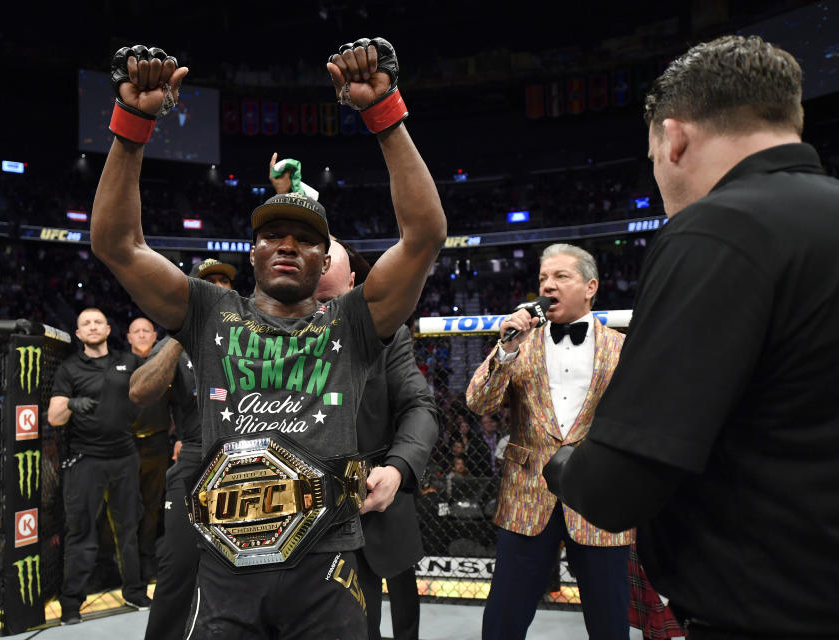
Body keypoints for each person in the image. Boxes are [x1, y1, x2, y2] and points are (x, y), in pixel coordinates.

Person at [90, 38, 444, 640]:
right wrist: (133, 123)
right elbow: (116, 244)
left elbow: (424, 236)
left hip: (327, 565)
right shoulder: (208, 310)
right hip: (227, 566)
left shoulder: (354, 322)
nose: (287, 244)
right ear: (252, 251)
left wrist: (383, 111)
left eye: (304, 239)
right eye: (273, 233)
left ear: (325, 255)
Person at [543, 35, 839, 638]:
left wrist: (564, 466)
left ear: (673, 137)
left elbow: (618, 488)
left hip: (768, 608)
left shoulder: (716, 230)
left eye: (653, 155)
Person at [465, 244, 633, 639]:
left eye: (561, 276)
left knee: (610, 621)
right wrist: (506, 348)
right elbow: (478, 402)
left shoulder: (623, 347)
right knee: (504, 619)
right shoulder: (519, 343)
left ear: (590, 286)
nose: (548, 285)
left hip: (600, 498)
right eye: (543, 278)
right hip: (527, 495)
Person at [314, 238, 439, 640]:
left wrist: (398, 468)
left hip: (376, 498)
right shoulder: (261, 337)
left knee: (397, 617)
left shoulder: (387, 335)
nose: (322, 311)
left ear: (352, 282)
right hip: (299, 511)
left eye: (330, 297)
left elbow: (419, 406)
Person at [136, 258, 236, 640]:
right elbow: (140, 391)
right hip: (195, 458)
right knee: (177, 568)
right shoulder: (176, 341)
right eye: (208, 281)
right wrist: (183, 332)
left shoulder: (255, 332)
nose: (217, 287)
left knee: (248, 572)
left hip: (247, 457)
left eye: (224, 281)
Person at [48, 308, 150, 624]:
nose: (92, 327)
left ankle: (134, 593)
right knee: (81, 534)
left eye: (97, 322)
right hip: (86, 460)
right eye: (85, 323)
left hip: (124, 456)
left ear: (108, 329)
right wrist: (71, 404)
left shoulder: (129, 362)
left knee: (128, 530)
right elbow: (54, 417)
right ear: (78, 335)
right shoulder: (69, 368)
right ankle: (70, 606)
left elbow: (149, 392)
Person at [126, 316, 169, 580]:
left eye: (146, 331)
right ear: (128, 337)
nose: (141, 335)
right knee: (124, 507)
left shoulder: (164, 367)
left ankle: (147, 559)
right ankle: (122, 564)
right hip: (125, 446)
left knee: (153, 506)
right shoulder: (118, 366)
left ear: (155, 336)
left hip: (157, 442)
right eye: (136, 331)